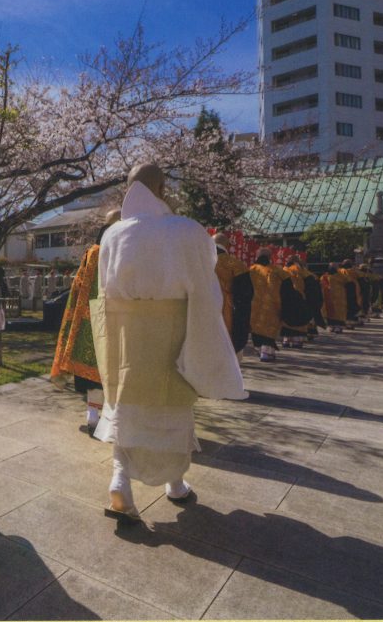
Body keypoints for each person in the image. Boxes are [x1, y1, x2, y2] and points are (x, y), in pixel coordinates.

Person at [92, 164, 246, 524]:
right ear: (162, 189)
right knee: (172, 409)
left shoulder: (113, 236)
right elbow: (206, 293)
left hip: (127, 339)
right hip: (174, 338)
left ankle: (120, 481)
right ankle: (175, 484)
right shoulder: (187, 231)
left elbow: (105, 297)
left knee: (127, 409)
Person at [50, 209, 120, 434]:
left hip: (92, 320)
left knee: (92, 370)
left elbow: (77, 289)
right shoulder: (126, 249)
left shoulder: (92, 253)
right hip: (120, 320)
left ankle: (92, 414)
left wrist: (73, 321)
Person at [212, 233, 253, 357]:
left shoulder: (200, 262)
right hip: (227, 308)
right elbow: (245, 294)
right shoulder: (236, 264)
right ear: (228, 246)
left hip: (203, 306)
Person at [321, 263, 348, 333]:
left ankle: (338, 326)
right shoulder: (325, 276)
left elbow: (346, 281)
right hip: (329, 296)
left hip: (339, 297)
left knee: (338, 312)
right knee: (330, 311)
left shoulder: (340, 276)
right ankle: (331, 325)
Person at [338, 259, 362, 329]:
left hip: (342, 290)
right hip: (353, 289)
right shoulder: (354, 271)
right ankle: (351, 322)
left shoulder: (339, 271)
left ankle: (345, 322)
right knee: (353, 304)